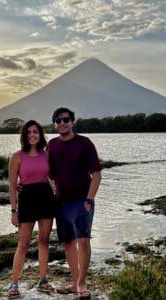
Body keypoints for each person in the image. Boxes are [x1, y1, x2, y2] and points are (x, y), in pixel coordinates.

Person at [48, 107, 102, 299]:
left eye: (65, 119)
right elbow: (47, 172)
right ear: (54, 124)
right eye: (58, 120)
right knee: (69, 243)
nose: (62, 123)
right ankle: (75, 282)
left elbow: (96, 174)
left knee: (83, 241)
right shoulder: (52, 145)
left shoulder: (85, 143)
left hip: (82, 201)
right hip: (61, 202)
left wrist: (89, 199)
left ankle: (81, 283)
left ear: (72, 121)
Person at [7, 120, 57, 299]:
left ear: (40, 134)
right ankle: (14, 283)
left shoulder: (47, 155)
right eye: (28, 133)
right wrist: (14, 211)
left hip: (45, 198)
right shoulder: (16, 157)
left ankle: (43, 280)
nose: (32, 135)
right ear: (24, 136)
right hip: (27, 200)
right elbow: (12, 186)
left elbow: (54, 176)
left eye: (35, 132)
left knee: (44, 241)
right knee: (23, 244)